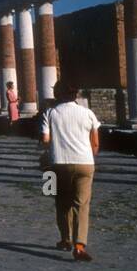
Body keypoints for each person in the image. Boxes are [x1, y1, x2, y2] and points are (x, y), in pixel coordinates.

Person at [41, 81, 100, 261]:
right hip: (85, 163)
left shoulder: (50, 113)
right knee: (82, 204)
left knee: (61, 202)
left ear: (57, 94)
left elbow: (45, 140)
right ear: (76, 95)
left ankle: (65, 239)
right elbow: (95, 144)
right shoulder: (88, 113)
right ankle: (80, 245)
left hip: (58, 163)